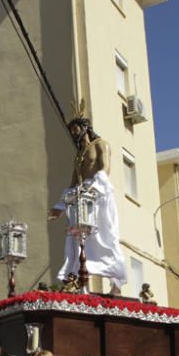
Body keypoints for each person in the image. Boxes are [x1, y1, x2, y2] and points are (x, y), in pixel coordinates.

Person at [48, 109, 127, 294]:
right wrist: (59, 207)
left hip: (99, 194)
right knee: (79, 239)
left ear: (85, 127)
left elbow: (105, 169)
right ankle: (80, 283)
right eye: (71, 130)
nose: (73, 133)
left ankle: (116, 284)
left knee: (106, 237)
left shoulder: (101, 145)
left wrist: (92, 189)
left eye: (75, 128)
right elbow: (73, 182)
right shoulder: (78, 155)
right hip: (80, 199)